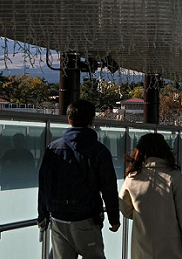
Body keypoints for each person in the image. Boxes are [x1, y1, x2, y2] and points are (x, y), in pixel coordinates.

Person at [38, 100, 120, 259]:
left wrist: (42, 215)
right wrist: (113, 218)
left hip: (57, 218)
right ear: (91, 121)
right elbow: (108, 187)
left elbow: (44, 184)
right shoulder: (99, 151)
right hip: (86, 218)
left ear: (69, 120)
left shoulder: (53, 148)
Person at [119, 133, 182, 259]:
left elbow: (124, 207)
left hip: (142, 242)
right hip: (169, 245)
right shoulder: (174, 176)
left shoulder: (133, 177)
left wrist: (138, 215)